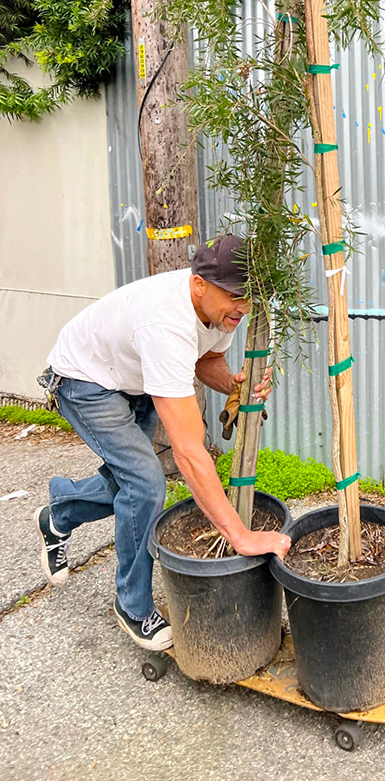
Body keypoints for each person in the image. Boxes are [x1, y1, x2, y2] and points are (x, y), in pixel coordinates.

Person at [34, 234, 291, 652]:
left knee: (129, 482)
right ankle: (132, 604)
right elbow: (189, 452)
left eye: (247, 296)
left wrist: (233, 385)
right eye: (234, 296)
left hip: (134, 376)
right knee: (146, 484)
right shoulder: (166, 325)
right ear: (198, 285)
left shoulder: (217, 311)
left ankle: (58, 512)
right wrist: (239, 535)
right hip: (85, 380)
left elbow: (207, 358)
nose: (242, 307)